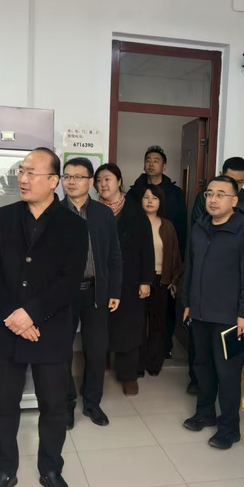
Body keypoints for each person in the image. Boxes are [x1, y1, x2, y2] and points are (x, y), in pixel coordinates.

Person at [0, 148, 88, 487]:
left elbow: (69, 280)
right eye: (21, 172)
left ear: (53, 181)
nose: (23, 179)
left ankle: (51, 469)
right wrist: (14, 314)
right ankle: (4, 470)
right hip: (7, 326)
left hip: (50, 330)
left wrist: (31, 314)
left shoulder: (74, 225)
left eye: (31, 173)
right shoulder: (2, 218)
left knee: (54, 406)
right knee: (4, 405)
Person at [181, 175, 244, 450]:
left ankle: (229, 429)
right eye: (209, 194)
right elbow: (190, 267)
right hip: (200, 312)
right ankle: (205, 413)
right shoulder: (199, 226)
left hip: (230, 317)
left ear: (234, 201)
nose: (213, 200)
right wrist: (188, 303)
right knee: (202, 367)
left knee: (227, 374)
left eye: (220, 194)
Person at [61, 157, 123, 429]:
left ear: (90, 182)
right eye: (67, 176)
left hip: (96, 292)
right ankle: (66, 404)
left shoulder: (102, 214)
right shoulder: (53, 211)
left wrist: (115, 290)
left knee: (96, 351)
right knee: (61, 351)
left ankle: (92, 403)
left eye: (78, 177)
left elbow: (114, 255)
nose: (71, 181)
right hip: (61, 295)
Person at [95, 163, 154, 396]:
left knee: (128, 328)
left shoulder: (134, 211)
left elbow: (146, 248)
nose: (103, 184)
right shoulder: (92, 210)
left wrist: (146, 280)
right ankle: (96, 374)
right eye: (99, 180)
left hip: (129, 279)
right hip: (100, 278)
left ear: (119, 181)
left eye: (107, 179)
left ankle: (128, 375)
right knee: (99, 328)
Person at [139, 184, 183, 377]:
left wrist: (174, 279)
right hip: (139, 280)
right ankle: (137, 364)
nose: (150, 201)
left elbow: (174, 254)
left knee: (158, 324)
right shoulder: (134, 223)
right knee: (138, 324)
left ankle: (154, 363)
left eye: (154, 198)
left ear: (160, 202)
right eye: (146, 197)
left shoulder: (167, 226)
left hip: (161, 280)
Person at [126, 145, 187, 253]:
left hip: (166, 247)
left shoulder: (175, 193)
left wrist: (179, 253)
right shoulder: (134, 192)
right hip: (138, 246)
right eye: (148, 161)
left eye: (156, 161)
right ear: (144, 166)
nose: (151, 164)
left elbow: (181, 226)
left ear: (164, 167)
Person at [190, 156, 244, 225]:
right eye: (230, 180)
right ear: (221, 175)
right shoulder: (204, 197)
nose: (235, 185)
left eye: (240, 182)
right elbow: (197, 226)